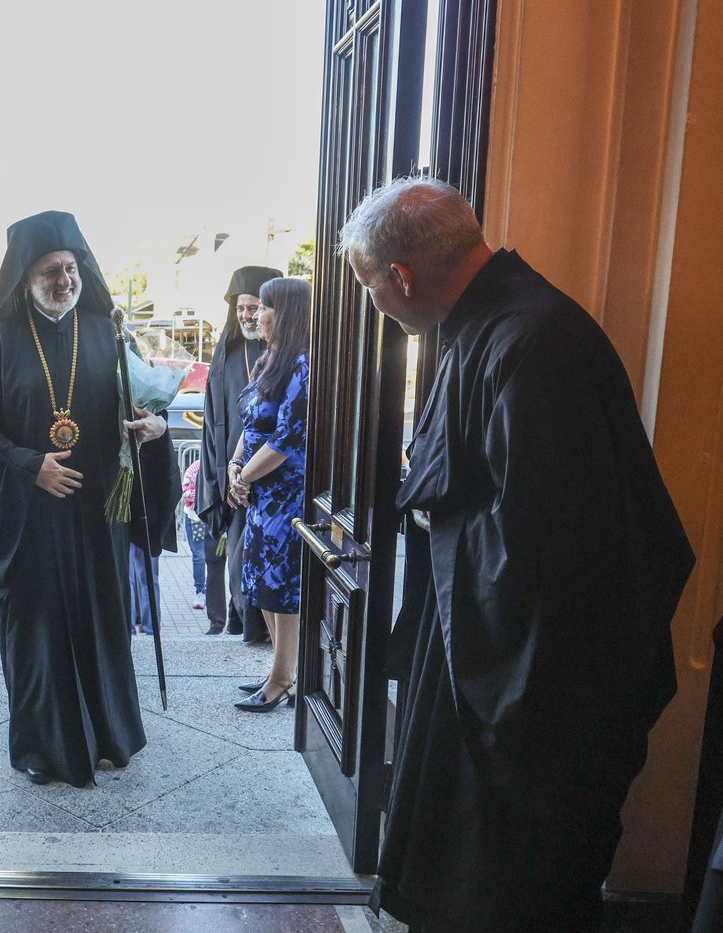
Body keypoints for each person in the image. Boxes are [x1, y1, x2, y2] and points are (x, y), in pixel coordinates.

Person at [338, 177, 694, 931]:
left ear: (401, 275)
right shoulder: (498, 322)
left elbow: (550, 544)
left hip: (537, 687)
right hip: (487, 648)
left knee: (510, 890)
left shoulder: (531, 341)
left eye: (369, 287)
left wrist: (435, 516)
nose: (376, 304)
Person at [0, 210, 178, 788]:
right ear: (26, 277)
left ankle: (108, 735)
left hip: (97, 514)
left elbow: (144, 408)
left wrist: (154, 428)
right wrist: (31, 467)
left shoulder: (107, 333)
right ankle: (46, 748)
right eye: (50, 271)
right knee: (39, 633)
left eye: (71, 268)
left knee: (102, 622)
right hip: (30, 520)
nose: (64, 280)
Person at [228, 278, 310, 712]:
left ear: (287, 313)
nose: (256, 315)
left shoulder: (302, 366)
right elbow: (250, 424)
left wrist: (244, 477)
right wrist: (233, 466)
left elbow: (285, 440)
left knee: (282, 586)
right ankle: (283, 673)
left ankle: (282, 679)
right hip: (260, 492)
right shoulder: (268, 361)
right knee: (261, 583)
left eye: (263, 307)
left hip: (285, 496)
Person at [197, 265, 282, 641]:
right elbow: (213, 422)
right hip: (235, 480)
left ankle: (271, 639)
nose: (247, 316)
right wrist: (224, 477)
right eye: (240, 308)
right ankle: (249, 629)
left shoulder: (286, 354)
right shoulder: (227, 354)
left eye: (254, 307)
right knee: (237, 563)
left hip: (275, 476)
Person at [180, 457, 206, 611]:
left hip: (208, 518)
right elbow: (186, 492)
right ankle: (200, 591)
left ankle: (205, 591)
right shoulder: (194, 468)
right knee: (199, 556)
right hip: (194, 517)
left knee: (210, 558)